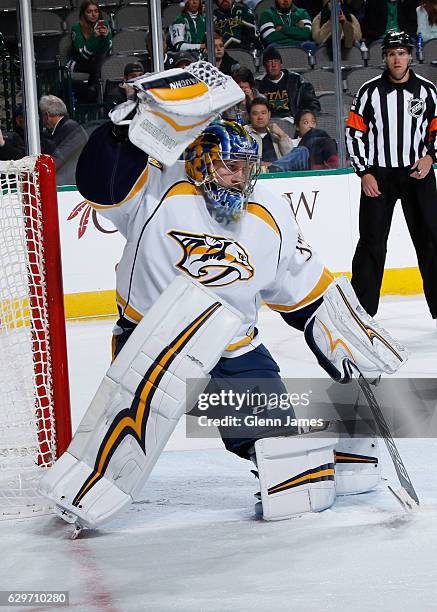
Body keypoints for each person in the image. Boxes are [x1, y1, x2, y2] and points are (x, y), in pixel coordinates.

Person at [39, 63, 406, 531]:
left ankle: (332, 459)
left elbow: (304, 289)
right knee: (128, 433)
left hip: (233, 341)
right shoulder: (158, 185)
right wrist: (122, 128)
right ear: (199, 161)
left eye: (245, 167)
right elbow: (98, 184)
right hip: (153, 339)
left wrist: (339, 333)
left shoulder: (268, 212)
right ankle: (91, 476)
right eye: (228, 166)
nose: (238, 178)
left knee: (281, 452)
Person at [346, 30, 437, 320]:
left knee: (432, 241)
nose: (397, 58)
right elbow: (354, 132)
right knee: (371, 242)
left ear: (410, 55)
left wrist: (430, 157)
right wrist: (364, 172)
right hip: (379, 176)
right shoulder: (368, 91)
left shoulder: (428, 92)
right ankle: (362, 313)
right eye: (391, 53)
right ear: (384, 57)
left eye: (402, 53)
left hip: (417, 175)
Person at [245, 97, 309, 171]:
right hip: (259, 173)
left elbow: (290, 156)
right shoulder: (243, 134)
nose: (260, 117)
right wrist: (265, 165)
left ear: (269, 115)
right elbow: (241, 161)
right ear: (249, 116)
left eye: (263, 113)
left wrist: (282, 135)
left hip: (281, 173)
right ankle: (274, 168)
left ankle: (276, 168)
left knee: (302, 150)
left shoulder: (275, 133)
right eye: (255, 114)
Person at [256, 48, 320, 119]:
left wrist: (301, 119)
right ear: (264, 66)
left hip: (294, 121)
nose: (273, 65)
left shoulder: (297, 81)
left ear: (281, 64)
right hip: (267, 122)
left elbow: (313, 104)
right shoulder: (258, 84)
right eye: (269, 62)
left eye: (276, 61)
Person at [39, 95, 88, 186]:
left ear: (47, 115)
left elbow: (58, 158)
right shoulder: (66, 127)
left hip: (72, 185)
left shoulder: (69, 128)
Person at [69, 0, 113, 102]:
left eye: (96, 11)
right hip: (79, 63)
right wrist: (94, 37)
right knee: (99, 64)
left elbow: (109, 48)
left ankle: (93, 91)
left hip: (98, 63)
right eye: (89, 12)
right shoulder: (76, 28)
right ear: (83, 14)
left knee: (101, 60)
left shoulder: (104, 25)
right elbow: (84, 54)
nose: (93, 14)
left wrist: (106, 37)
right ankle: (96, 96)